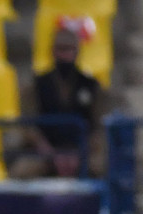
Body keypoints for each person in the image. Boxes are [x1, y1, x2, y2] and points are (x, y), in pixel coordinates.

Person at [15, 28, 104, 178]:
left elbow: (99, 125)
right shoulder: (36, 85)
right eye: (61, 49)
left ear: (77, 51)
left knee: (102, 168)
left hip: (82, 151)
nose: (65, 54)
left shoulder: (91, 85)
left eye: (70, 49)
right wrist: (48, 151)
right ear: (53, 51)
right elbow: (27, 124)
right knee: (22, 171)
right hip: (45, 151)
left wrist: (80, 152)